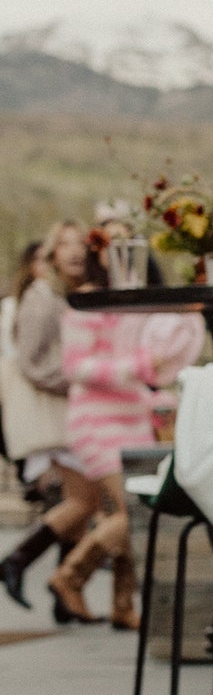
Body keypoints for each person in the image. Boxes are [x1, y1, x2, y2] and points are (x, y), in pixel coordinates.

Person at [49, 245, 203, 627]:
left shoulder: (143, 307)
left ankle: (122, 604)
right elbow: (75, 367)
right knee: (136, 508)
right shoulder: (86, 301)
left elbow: (151, 368)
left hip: (134, 417)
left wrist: (159, 380)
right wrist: (136, 367)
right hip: (95, 421)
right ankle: (69, 575)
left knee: (130, 511)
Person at [0, 225, 101, 616]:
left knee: (83, 499)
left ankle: (64, 596)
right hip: (52, 410)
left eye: (81, 244)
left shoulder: (64, 295)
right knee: (84, 500)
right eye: (65, 244)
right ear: (51, 252)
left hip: (62, 407)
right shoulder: (42, 297)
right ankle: (17, 561)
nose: (75, 252)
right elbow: (32, 361)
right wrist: (77, 380)